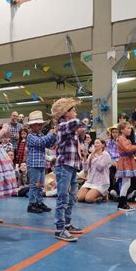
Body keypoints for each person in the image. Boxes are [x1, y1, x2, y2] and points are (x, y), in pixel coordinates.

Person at [51, 98, 86, 241]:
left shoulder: (69, 130)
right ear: (65, 113)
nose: (76, 112)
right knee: (63, 197)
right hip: (63, 166)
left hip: (71, 166)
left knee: (71, 197)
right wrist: (82, 122)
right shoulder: (62, 126)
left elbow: (80, 127)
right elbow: (79, 123)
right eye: (73, 110)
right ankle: (59, 228)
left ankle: (67, 223)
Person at [25, 111, 57, 214]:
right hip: (34, 165)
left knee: (41, 186)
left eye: (40, 124)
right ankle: (32, 204)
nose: (39, 126)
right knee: (34, 185)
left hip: (41, 164)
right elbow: (41, 142)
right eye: (37, 124)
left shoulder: (41, 135)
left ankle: (39, 202)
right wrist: (51, 133)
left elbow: (48, 144)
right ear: (32, 126)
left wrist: (54, 136)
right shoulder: (30, 136)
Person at [115, 121, 136, 211]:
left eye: (130, 128)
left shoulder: (126, 139)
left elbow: (130, 150)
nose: (130, 129)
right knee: (126, 183)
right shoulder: (122, 138)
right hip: (125, 161)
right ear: (122, 130)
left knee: (126, 183)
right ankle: (122, 203)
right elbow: (128, 148)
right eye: (128, 128)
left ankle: (122, 203)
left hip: (128, 160)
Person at [78, 139, 111, 203]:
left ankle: (103, 195)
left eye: (97, 143)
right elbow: (85, 169)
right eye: (94, 143)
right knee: (79, 198)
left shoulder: (106, 155)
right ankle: (94, 193)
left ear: (103, 145)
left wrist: (94, 157)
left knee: (88, 199)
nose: (95, 145)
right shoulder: (91, 155)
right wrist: (85, 157)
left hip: (101, 183)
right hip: (90, 181)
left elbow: (100, 167)